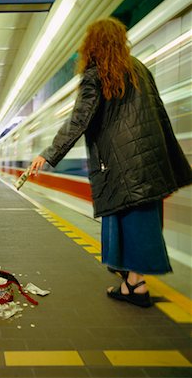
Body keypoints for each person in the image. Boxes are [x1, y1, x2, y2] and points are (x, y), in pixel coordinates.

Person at [29, 17, 191, 308]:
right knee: (137, 222)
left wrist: (48, 154)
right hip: (149, 162)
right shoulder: (139, 68)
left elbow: (79, 120)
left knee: (127, 222)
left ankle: (136, 285)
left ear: (92, 44)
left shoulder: (95, 74)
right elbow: (160, 114)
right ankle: (131, 283)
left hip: (121, 164)